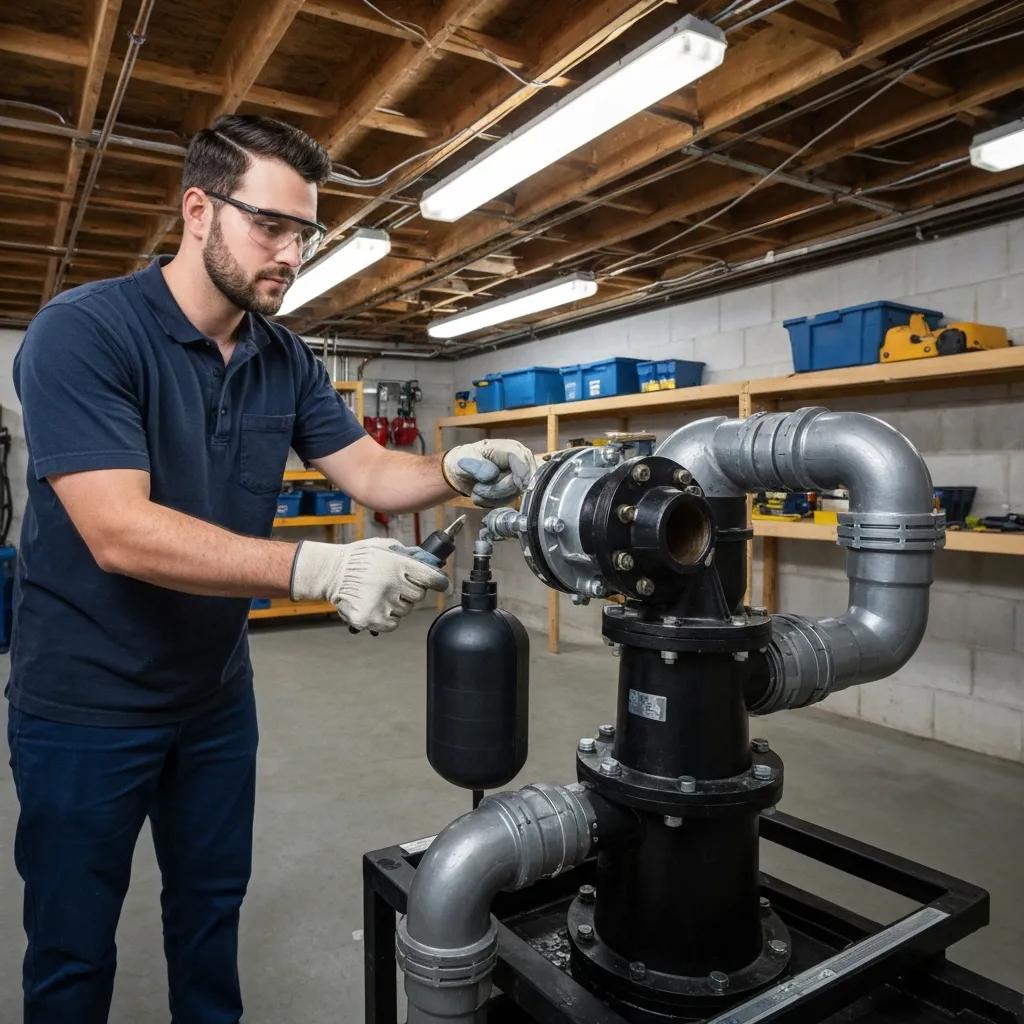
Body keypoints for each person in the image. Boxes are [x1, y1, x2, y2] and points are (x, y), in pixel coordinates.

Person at [6, 113, 536, 1024]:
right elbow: (118, 531)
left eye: (306, 234)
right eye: (270, 226)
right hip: (85, 705)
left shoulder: (280, 355)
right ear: (198, 211)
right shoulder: (83, 332)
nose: (291, 255)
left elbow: (369, 471)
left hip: (214, 696)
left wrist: (453, 469)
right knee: (71, 943)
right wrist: (319, 570)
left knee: (210, 915)